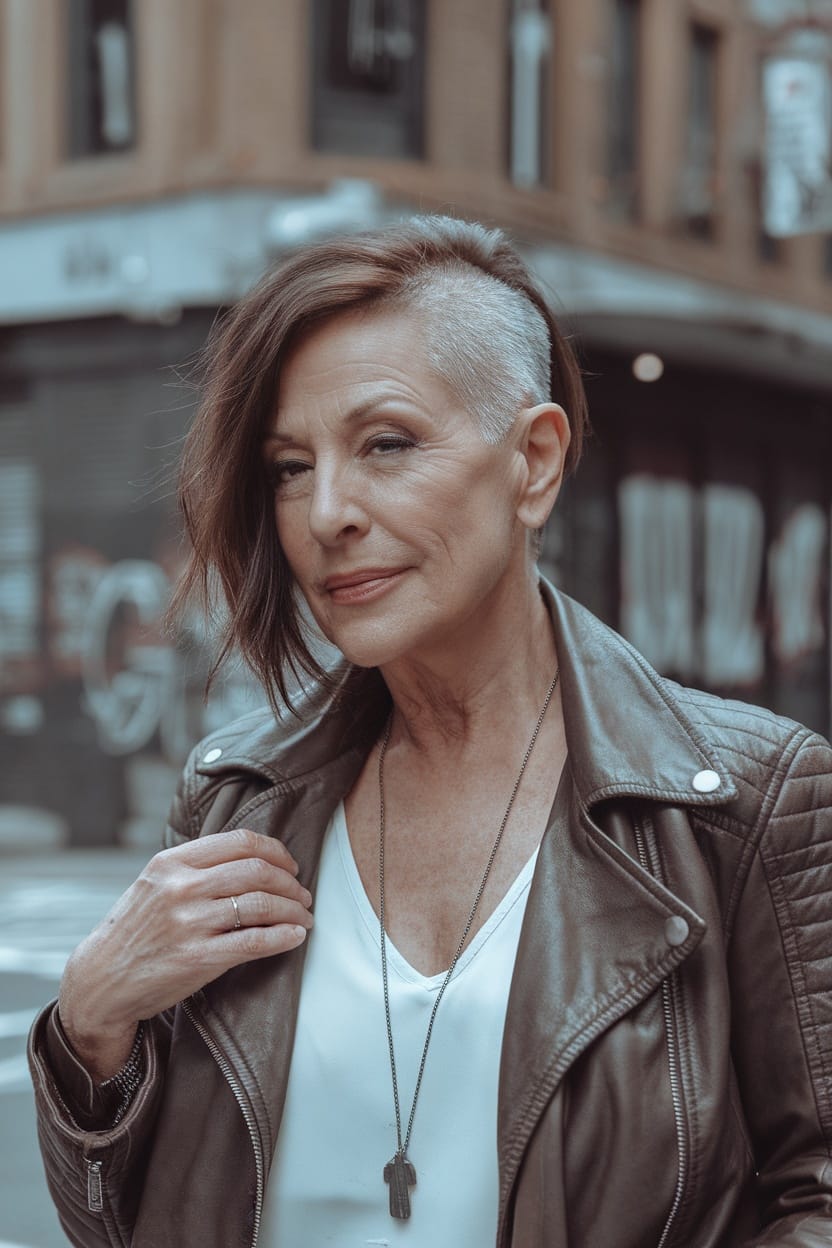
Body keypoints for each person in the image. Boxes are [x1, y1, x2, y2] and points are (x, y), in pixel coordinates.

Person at [29, 215, 832, 1248]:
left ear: (533, 463)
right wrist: (91, 1030)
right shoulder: (238, 799)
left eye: (386, 444)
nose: (326, 514)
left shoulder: (743, 805)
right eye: (287, 466)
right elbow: (129, 1228)